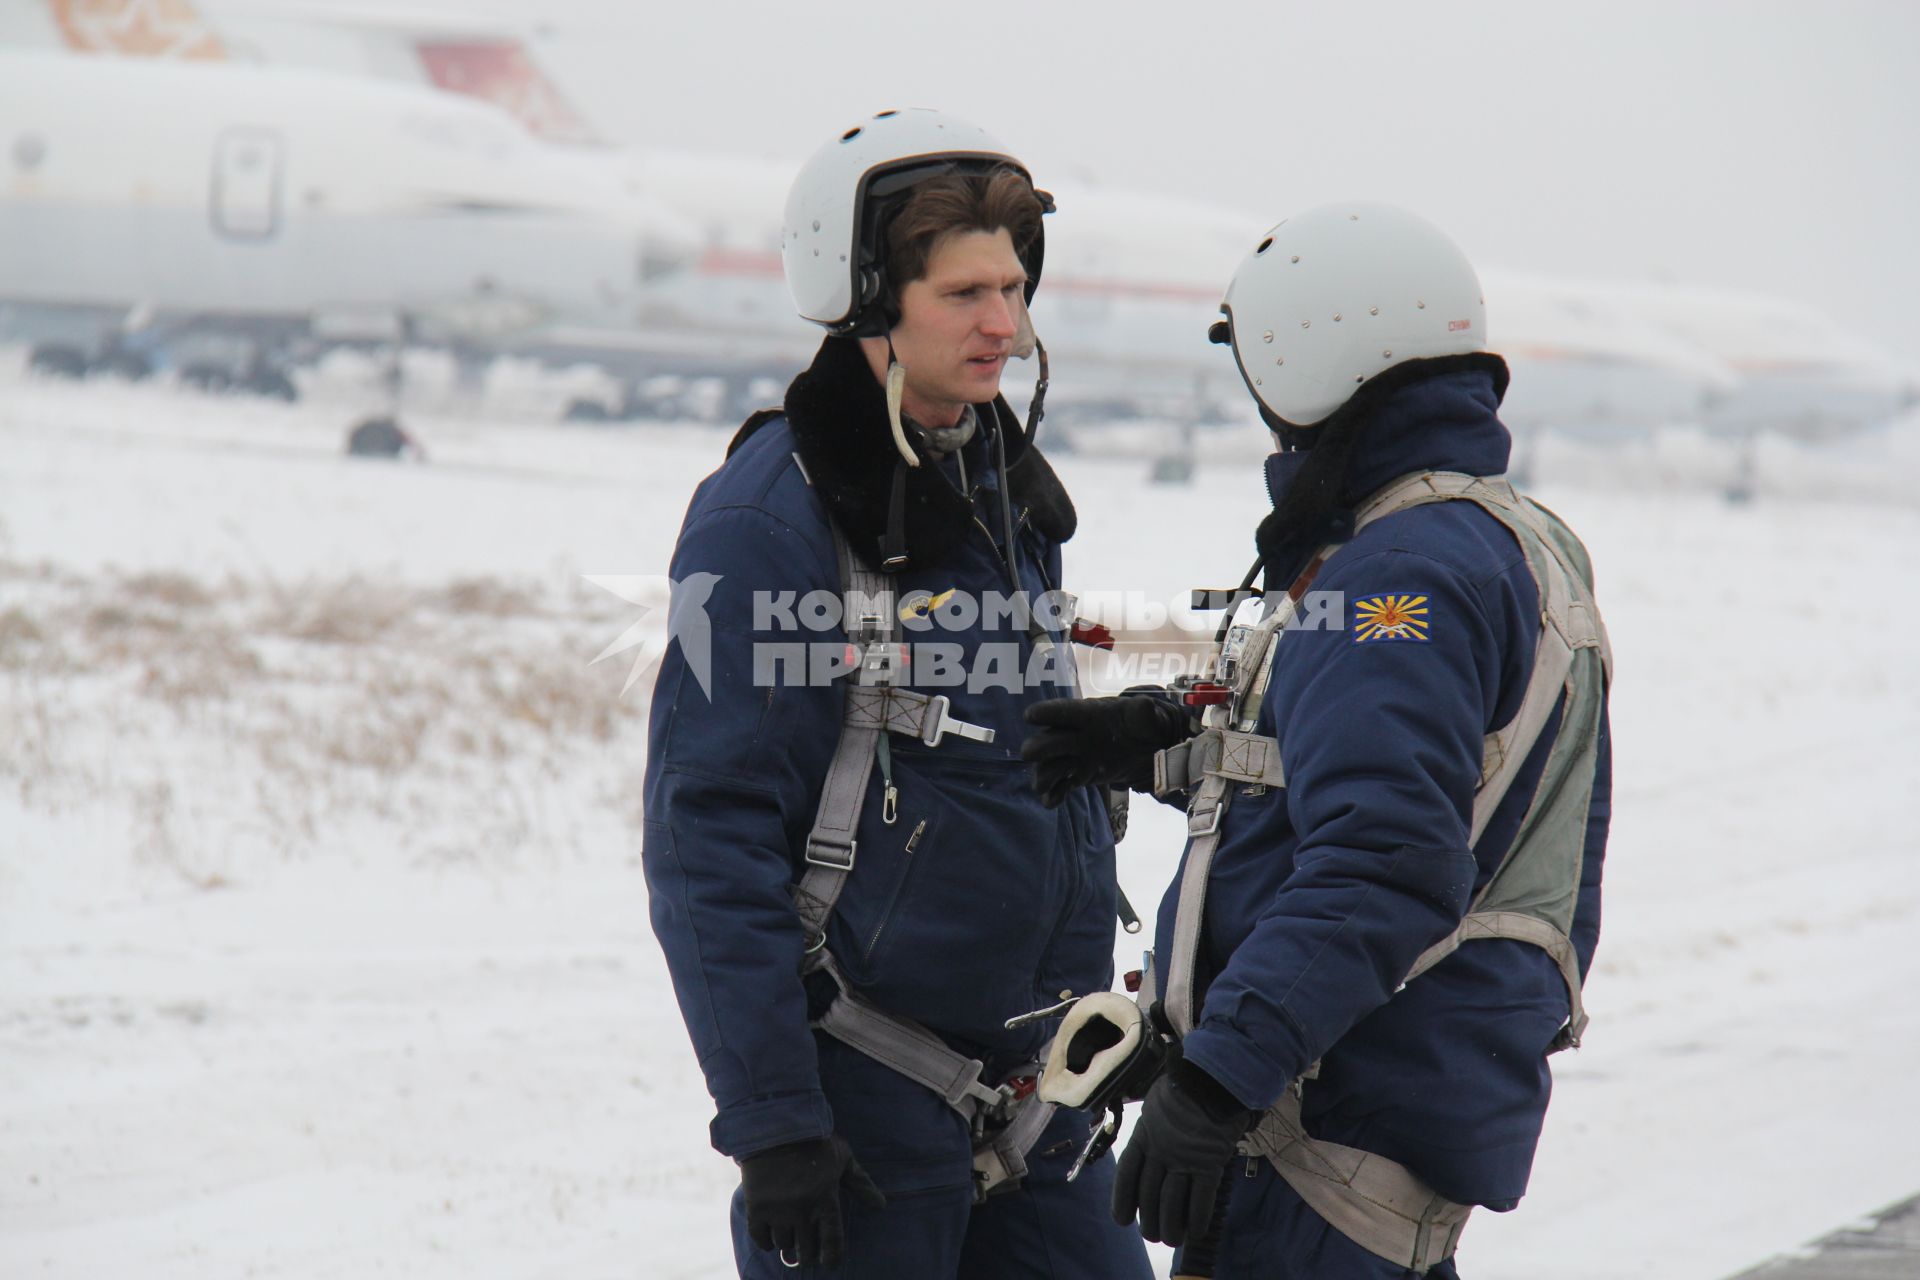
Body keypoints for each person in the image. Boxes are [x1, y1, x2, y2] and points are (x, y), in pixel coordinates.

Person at [1023, 203, 1612, 1277]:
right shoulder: (1500, 535)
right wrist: (1177, 742)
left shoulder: (1400, 574)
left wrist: (1213, 1086)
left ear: (1306, 359)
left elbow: (1385, 857)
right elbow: (1409, 778)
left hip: (1315, 1139)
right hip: (1387, 1109)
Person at [641, 108, 1154, 1280]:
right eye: (965, 291)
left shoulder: (998, 493)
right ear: (870, 298)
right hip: (865, 1100)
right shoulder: (770, 521)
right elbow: (705, 833)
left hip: (1045, 1087)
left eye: (1017, 288)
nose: (1006, 325)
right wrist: (773, 1120)